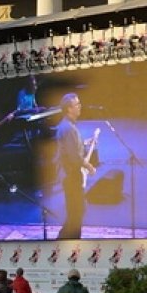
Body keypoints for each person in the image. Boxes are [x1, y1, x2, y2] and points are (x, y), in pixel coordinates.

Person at [55, 92, 97, 239]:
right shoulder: (69, 129)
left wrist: (86, 142)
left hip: (69, 175)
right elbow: (76, 158)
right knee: (76, 214)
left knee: (75, 212)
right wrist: (90, 167)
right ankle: (67, 242)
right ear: (68, 109)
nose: (80, 107)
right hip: (71, 176)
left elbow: (72, 147)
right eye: (77, 104)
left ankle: (64, 240)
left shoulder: (68, 126)